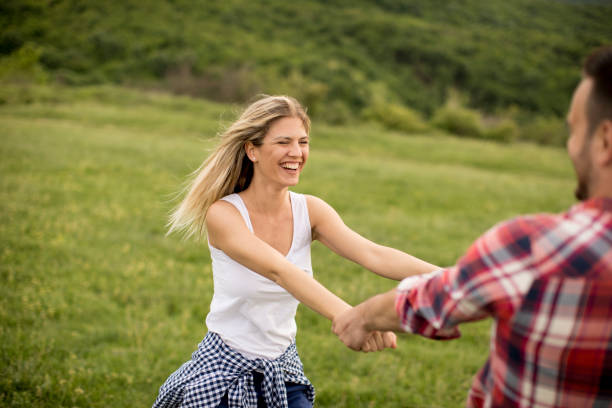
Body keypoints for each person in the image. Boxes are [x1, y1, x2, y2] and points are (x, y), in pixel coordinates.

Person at [332, 45, 612, 408]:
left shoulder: (536, 246)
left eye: (574, 131)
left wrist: (363, 317)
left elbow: (430, 302)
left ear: (605, 140)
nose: (570, 146)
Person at [152, 95, 438, 408]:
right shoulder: (224, 215)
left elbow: (373, 254)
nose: (297, 152)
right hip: (224, 370)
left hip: (282, 370)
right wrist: (350, 317)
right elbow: (280, 271)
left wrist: (457, 277)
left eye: (303, 141)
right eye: (284, 142)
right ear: (252, 150)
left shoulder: (310, 210)